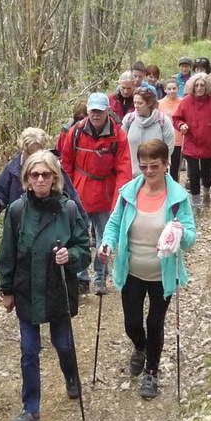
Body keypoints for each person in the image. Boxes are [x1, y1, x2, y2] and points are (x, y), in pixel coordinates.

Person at [0, 151, 91, 421]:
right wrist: (7, 289)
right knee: (28, 350)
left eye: (46, 174)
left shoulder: (68, 209)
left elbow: (84, 250)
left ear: (55, 178)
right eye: (35, 174)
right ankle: (31, 408)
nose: (40, 179)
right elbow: (7, 253)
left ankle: (71, 377)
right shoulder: (16, 211)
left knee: (62, 343)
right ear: (26, 178)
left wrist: (70, 256)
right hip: (27, 289)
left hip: (57, 288)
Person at [100, 140, 196, 399]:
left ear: (166, 164)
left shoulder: (177, 198)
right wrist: (107, 243)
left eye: (154, 166)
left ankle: (151, 372)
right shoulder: (128, 193)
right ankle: (139, 347)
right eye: (144, 166)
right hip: (131, 270)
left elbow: (190, 238)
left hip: (162, 274)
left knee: (155, 322)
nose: (149, 171)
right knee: (132, 323)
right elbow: (113, 224)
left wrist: (180, 232)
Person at [59, 93, 132, 296]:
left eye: (100, 111)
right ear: (88, 110)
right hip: (80, 192)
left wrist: (120, 197)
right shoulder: (76, 131)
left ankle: (100, 278)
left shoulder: (118, 135)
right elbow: (66, 162)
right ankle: (82, 278)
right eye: (93, 110)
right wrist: (68, 190)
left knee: (104, 239)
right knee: (79, 238)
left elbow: (124, 168)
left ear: (107, 111)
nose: (96, 114)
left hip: (106, 192)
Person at [0, 127, 85, 225]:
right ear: (23, 149)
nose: (33, 158)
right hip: (19, 225)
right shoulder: (13, 167)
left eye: (37, 153)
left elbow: (72, 197)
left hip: (49, 224)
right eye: (30, 153)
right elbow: (0, 193)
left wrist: (82, 223)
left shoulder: (54, 168)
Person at [172, 72, 211, 209]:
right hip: (191, 144)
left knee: (206, 173)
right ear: (192, 87)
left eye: (202, 85)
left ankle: (207, 191)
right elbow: (176, 118)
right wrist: (181, 125)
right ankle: (196, 200)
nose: (199, 88)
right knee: (193, 174)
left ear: (207, 86)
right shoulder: (186, 101)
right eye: (196, 85)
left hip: (209, 144)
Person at [122, 87, 175, 176]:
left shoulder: (163, 121)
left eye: (140, 103)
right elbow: (121, 144)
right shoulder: (129, 119)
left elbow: (169, 146)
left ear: (149, 103)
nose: (136, 105)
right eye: (134, 102)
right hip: (132, 173)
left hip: (156, 174)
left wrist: (162, 165)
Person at [157, 78, 184, 182]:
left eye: (174, 88)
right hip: (163, 141)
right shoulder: (159, 104)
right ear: (165, 90)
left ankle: (174, 192)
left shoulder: (183, 102)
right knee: (163, 167)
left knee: (175, 169)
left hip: (178, 141)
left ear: (178, 89)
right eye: (169, 88)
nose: (172, 91)